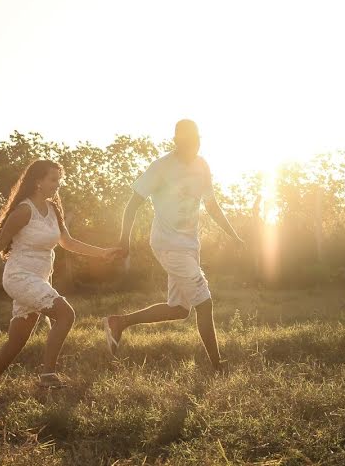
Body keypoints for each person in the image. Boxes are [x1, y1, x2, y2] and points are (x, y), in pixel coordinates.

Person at [0, 159, 121, 388]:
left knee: (17, 339)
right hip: (19, 276)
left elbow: (68, 242)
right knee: (66, 314)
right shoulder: (24, 211)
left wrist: (103, 253)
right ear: (38, 182)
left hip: (39, 278)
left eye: (59, 179)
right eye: (53, 179)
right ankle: (47, 376)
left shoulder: (54, 209)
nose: (58, 184)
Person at [102, 120, 244, 371]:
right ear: (177, 141)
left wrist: (233, 235)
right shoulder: (161, 167)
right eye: (188, 141)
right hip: (168, 244)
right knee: (205, 302)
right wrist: (124, 239)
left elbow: (211, 205)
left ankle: (119, 322)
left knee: (179, 309)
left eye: (197, 139)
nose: (194, 145)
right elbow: (133, 204)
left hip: (190, 245)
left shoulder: (202, 165)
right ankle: (216, 365)